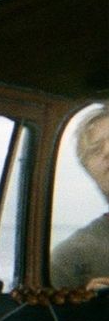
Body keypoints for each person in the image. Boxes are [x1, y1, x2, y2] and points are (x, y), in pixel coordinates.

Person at [50, 104, 109, 291]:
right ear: (89, 170)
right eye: (95, 149)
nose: (107, 151)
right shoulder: (69, 259)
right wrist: (90, 305)